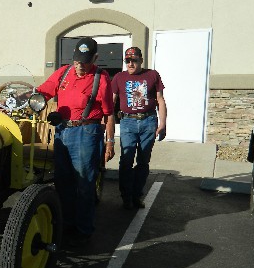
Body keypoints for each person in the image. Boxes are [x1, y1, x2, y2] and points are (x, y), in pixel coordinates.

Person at [37, 37, 116, 246]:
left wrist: (110, 142)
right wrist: (21, 99)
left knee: (84, 183)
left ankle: (83, 230)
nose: (80, 65)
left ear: (95, 58)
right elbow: (43, 91)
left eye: (85, 61)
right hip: (63, 131)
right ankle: (66, 223)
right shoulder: (63, 73)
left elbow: (109, 114)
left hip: (86, 132)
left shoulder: (101, 79)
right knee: (63, 182)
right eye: (77, 60)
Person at [112, 46, 167, 210]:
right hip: (127, 122)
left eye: (134, 61)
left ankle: (137, 196)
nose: (130, 64)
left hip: (148, 121)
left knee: (143, 161)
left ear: (141, 60)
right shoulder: (118, 77)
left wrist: (163, 123)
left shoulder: (152, 75)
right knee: (126, 160)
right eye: (127, 61)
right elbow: (112, 101)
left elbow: (160, 100)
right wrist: (105, 121)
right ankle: (126, 196)